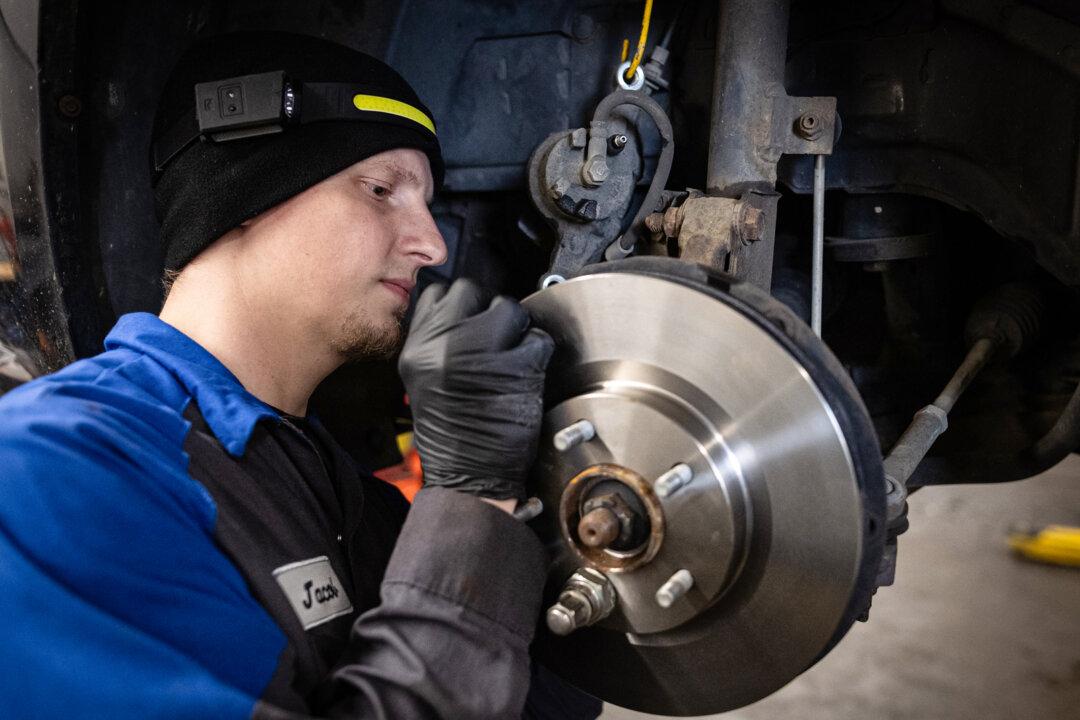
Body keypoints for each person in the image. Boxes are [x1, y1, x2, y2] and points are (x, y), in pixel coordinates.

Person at [0, 32, 600, 719]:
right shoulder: (53, 465)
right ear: (242, 194)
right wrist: (471, 504)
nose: (432, 244)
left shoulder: (344, 498)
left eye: (427, 205)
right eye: (380, 190)